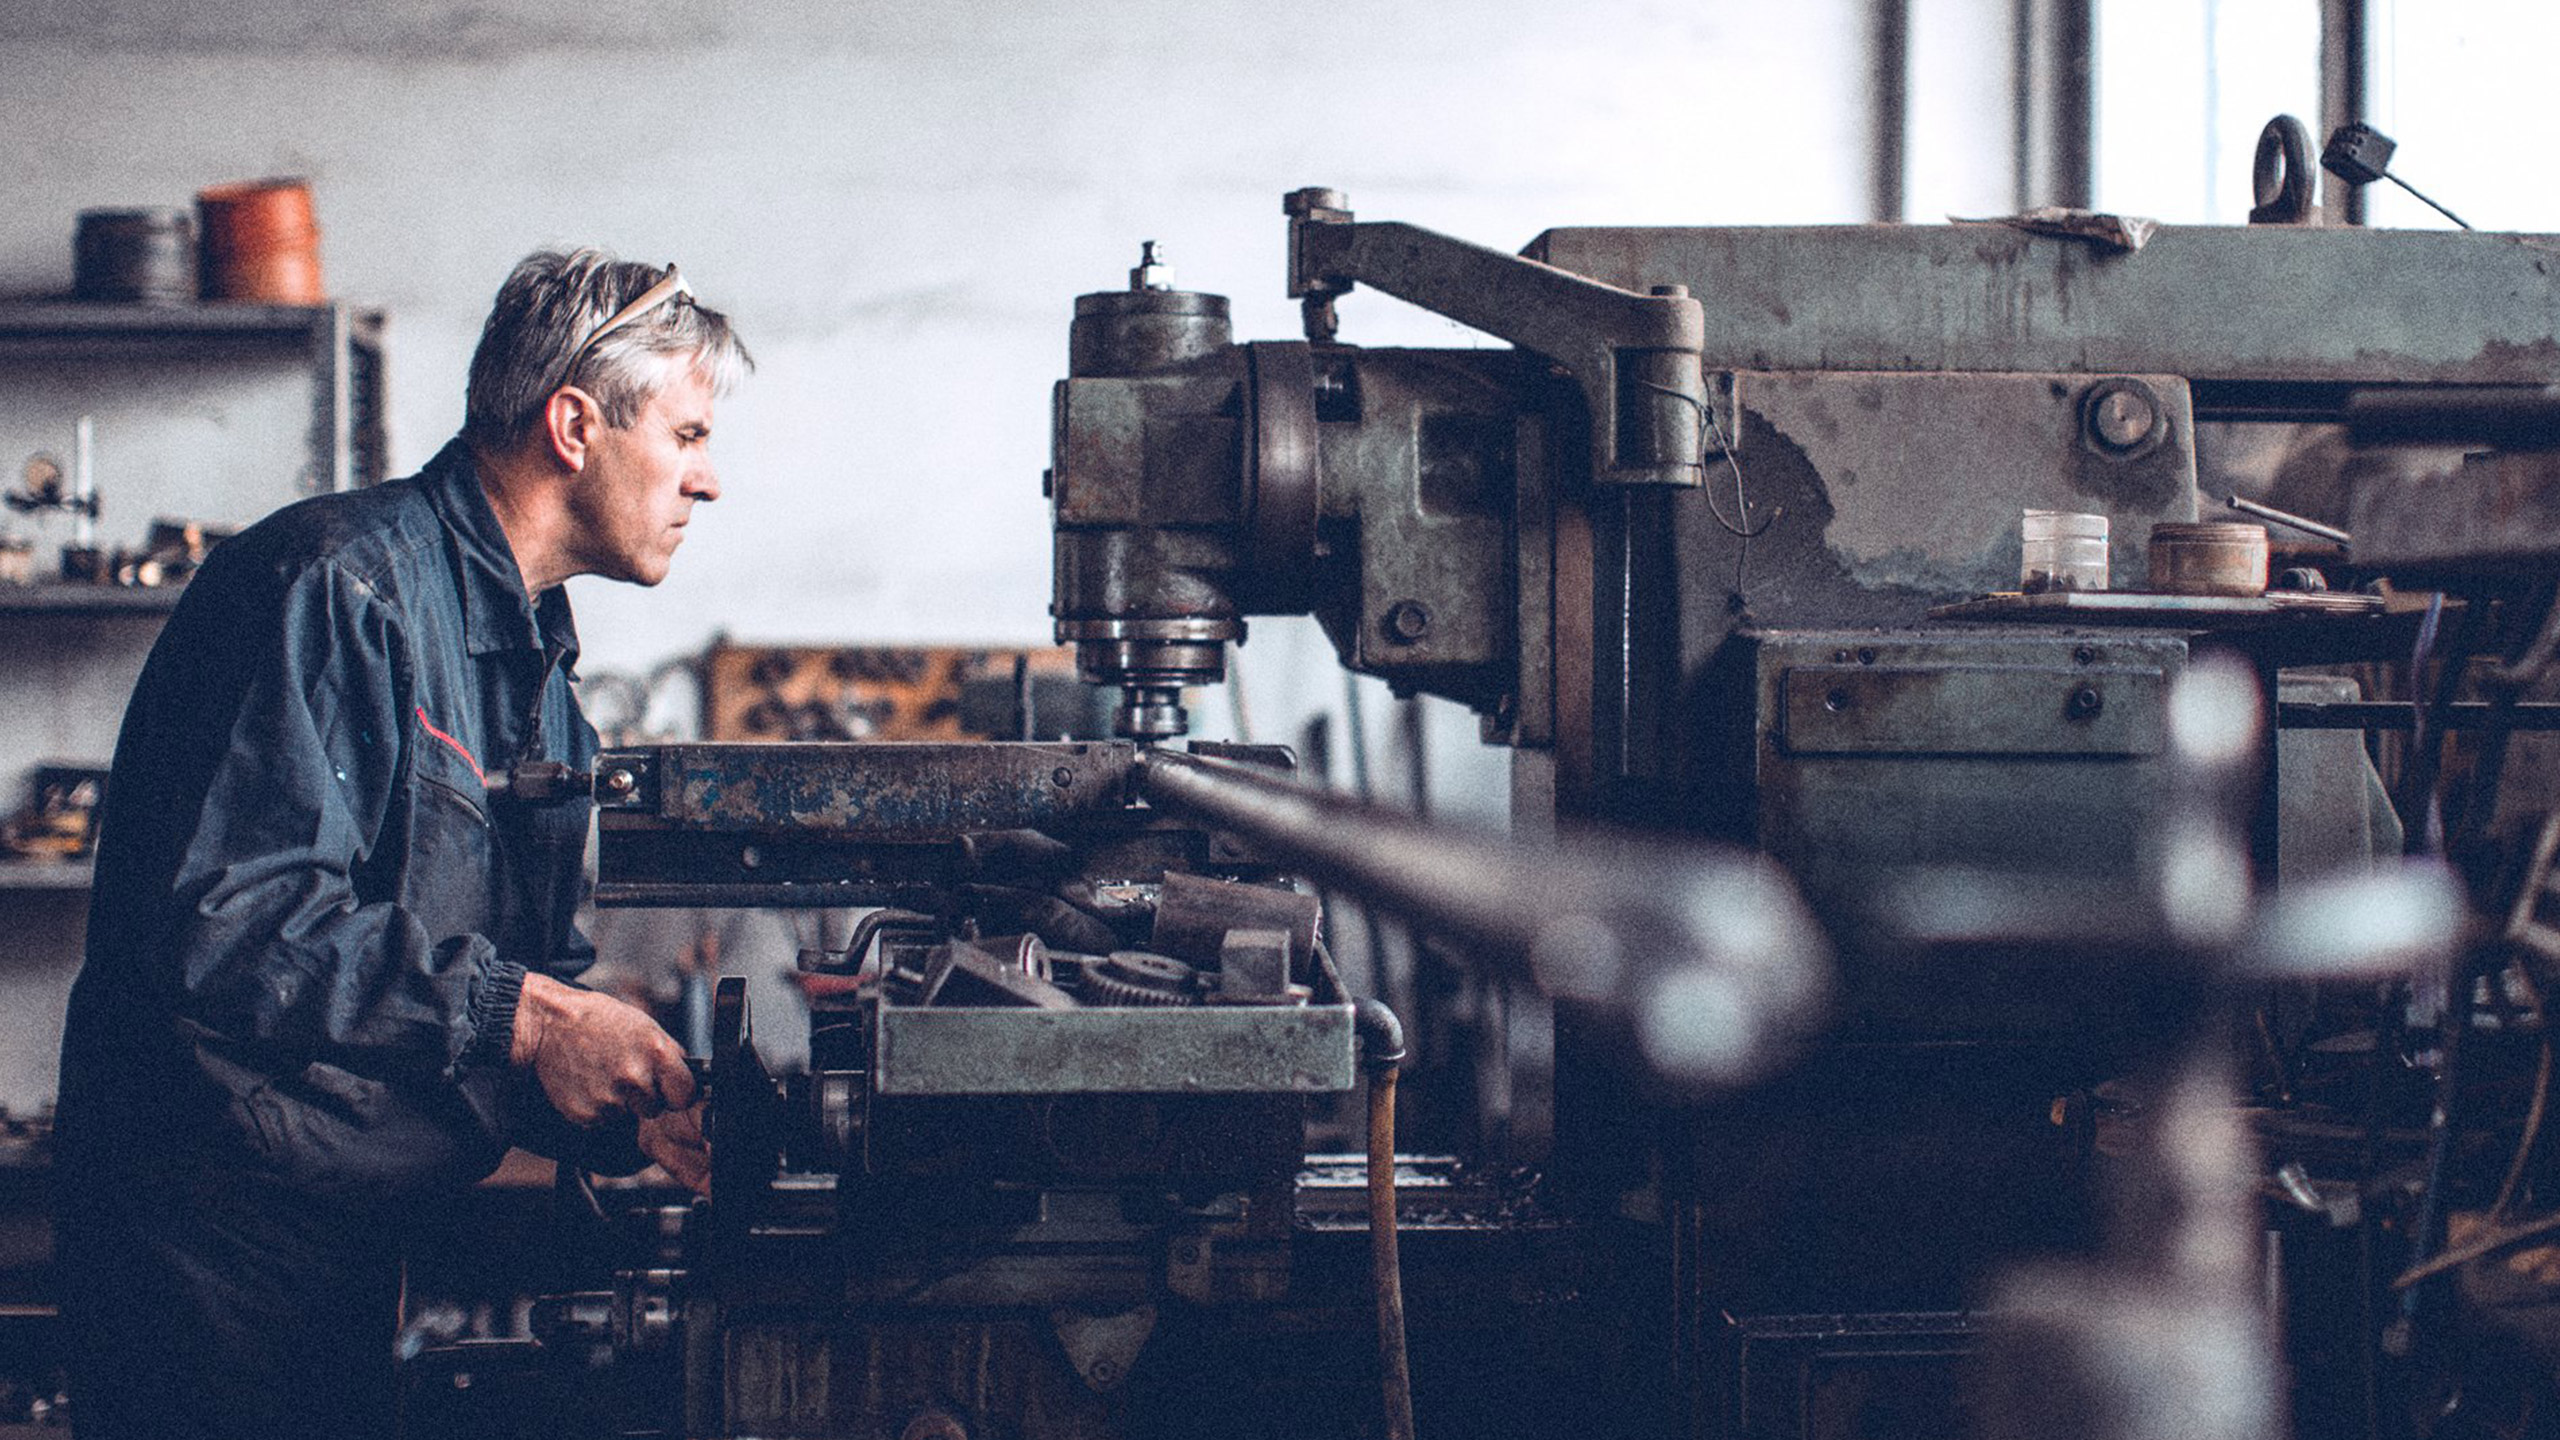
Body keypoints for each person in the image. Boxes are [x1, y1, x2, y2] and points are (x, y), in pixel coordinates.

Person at [52, 250, 751, 1438]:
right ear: (575, 424)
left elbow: (470, 991)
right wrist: (533, 1016)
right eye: (685, 436)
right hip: (213, 1246)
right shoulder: (336, 586)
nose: (709, 481)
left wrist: (624, 1106)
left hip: (340, 1231)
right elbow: (228, 923)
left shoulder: (536, 667)